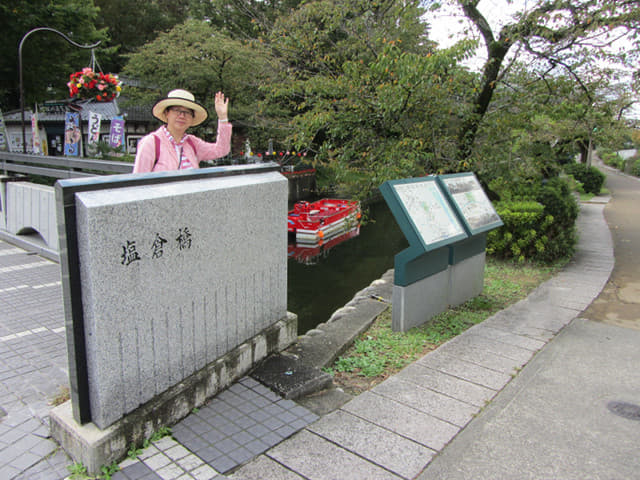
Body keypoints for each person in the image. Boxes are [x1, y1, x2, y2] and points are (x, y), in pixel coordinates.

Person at [133, 89, 232, 173]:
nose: (182, 116)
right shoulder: (151, 143)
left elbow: (221, 150)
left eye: (187, 112)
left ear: (192, 118)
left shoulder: (192, 143)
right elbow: (137, 182)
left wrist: (222, 117)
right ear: (167, 113)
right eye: (176, 110)